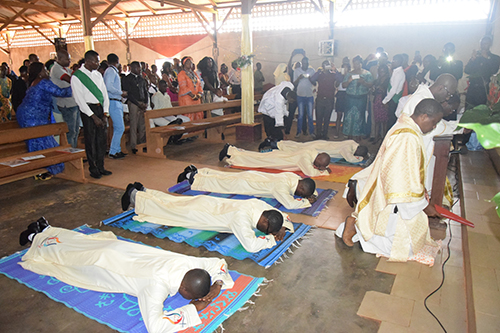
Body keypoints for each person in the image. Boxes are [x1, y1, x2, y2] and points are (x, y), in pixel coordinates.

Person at [19, 218, 234, 333]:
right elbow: (156, 327)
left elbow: (216, 264)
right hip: (103, 265)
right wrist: (193, 308)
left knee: (81, 243)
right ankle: (36, 237)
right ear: (184, 291)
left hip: (119, 250)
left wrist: (216, 285)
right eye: (190, 297)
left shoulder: (187, 264)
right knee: (68, 259)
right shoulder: (156, 287)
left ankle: (48, 230)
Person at [339, 99, 445, 262]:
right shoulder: (406, 136)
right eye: (434, 122)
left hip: (391, 189)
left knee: (410, 236)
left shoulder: (406, 126)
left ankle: (357, 224)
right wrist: (423, 205)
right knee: (404, 246)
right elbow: (401, 176)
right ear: (424, 116)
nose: (433, 127)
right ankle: (355, 227)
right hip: (396, 194)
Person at [121, 182, 294, 253]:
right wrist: (271, 239)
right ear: (264, 221)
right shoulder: (242, 220)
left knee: (174, 202)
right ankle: (135, 196)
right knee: (168, 211)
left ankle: (145, 191)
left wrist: (283, 227)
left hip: (208, 204)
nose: (266, 232)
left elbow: (281, 215)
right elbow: (251, 245)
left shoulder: (260, 207)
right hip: (201, 214)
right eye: (267, 229)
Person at [16, 62, 72, 176]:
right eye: (45, 70)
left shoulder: (35, 83)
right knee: (41, 141)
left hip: (27, 114)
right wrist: (76, 85)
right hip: (32, 116)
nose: (47, 72)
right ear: (40, 73)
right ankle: (43, 168)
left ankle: (41, 168)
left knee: (37, 141)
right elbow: (61, 92)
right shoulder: (43, 83)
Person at [177, 166, 318, 210]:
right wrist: (307, 202)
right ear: (301, 190)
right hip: (246, 184)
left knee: (224, 177)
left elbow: (307, 185)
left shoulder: (294, 178)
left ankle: (201, 172)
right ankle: (192, 177)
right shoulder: (282, 187)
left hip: (254, 177)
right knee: (220, 184)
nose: (301, 196)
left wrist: (313, 193)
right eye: (302, 194)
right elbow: (289, 204)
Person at [71, 50, 111, 179]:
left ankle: (101, 166)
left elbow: (104, 94)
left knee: (101, 140)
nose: (98, 64)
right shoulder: (77, 77)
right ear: (87, 61)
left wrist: (105, 113)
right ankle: (93, 168)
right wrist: (93, 117)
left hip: (100, 109)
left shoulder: (98, 75)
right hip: (88, 111)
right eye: (96, 61)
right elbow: (79, 100)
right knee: (91, 141)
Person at [219, 143, 331, 177]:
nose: (318, 167)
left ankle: (231, 150)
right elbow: (310, 172)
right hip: (277, 161)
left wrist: (323, 167)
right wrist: (324, 171)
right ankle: (230, 152)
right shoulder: (305, 158)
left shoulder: (312, 151)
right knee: (253, 160)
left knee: (254, 157)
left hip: (280, 157)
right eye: (319, 165)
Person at [50, 50, 80, 148]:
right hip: (67, 104)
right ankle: (70, 154)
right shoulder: (56, 69)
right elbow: (71, 79)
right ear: (59, 59)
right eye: (67, 58)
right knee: (70, 131)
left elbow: (77, 76)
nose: (70, 60)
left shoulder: (65, 68)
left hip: (73, 103)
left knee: (76, 130)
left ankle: (74, 152)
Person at [342, 55, 373, 141]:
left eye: (357, 63)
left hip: (361, 98)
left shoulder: (367, 74)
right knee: (349, 116)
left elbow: (371, 85)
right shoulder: (349, 74)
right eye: (354, 63)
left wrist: (364, 82)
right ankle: (349, 134)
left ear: (361, 63)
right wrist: (349, 81)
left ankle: (358, 134)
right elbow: (343, 85)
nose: (356, 65)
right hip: (350, 98)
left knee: (360, 116)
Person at [464, 35, 500, 109]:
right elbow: (467, 70)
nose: (483, 45)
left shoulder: (495, 58)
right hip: (472, 87)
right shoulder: (477, 57)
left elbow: (494, 70)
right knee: (468, 109)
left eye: (486, 43)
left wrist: (486, 58)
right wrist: (472, 59)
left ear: (490, 44)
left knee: (480, 110)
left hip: (483, 88)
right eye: (482, 43)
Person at [122, 61, 148, 154]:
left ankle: (142, 144)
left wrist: (145, 103)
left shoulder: (141, 78)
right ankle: (134, 145)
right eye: (138, 68)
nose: (140, 69)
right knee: (134, 124)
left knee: (142, 124)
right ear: (132, 68)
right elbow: (128, 94)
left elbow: (145, 91)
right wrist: (138, 103)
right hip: (133, 103)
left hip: (142, 103)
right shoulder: (127, 78)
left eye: (140, 68)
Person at [103, 53, 127, 159]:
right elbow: (109, 87)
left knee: (118, 127)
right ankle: (113, 151)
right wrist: (120, 92)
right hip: (113, 100)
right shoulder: (111, 71)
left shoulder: (112, 71)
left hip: (116, 101)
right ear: (117, 61)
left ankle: (117, 150)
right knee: (120, 127)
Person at [311, 60, 341, 140]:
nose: (326, 66)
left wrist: (335, 69)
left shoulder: (333, 74)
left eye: (328, 65)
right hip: (320, 99)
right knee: (319, 119)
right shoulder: (319, 74)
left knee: (327, 119)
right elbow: (312, 79)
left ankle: (325, 134)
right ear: (322, 66)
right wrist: (319, 71)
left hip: (329, 99)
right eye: (325, 65)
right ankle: (318, 134)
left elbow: (340, 79)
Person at [274, 139, 368, 164]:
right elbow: (350, 159)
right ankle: (277, 145)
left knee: (300, 145)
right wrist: (360, 158)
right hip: (319, 148)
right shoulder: (347, 149)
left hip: (321, 144)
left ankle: (279, 143)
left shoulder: (352, 142)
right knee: (298, 148)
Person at [293, 57, 316, 138]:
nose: (305, 65)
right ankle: (298, 132)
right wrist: (299, 78)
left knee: (310, 115)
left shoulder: (312, 71)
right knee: (301, 115)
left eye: (307, 63)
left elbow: (314, 83)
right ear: (302, 63)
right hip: (300, 95)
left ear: (308, 63)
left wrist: (310, 79)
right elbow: (294, 83)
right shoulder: (297, 71)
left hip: (309, 95)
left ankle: (312, 132)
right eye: (304, 63)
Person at [382, 54, 405, 128]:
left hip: (394, 99)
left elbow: (393, 89)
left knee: (391, 122)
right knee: (389, 120)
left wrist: (385, 101)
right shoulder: (395, 72)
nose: (392, 62)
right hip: (392, 98)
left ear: (399, 62)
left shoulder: (399, 73)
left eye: (394, 61)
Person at [177, 56, 203, 120]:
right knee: (189, 116)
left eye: (191, 62)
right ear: (184, 64)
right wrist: (192, 95)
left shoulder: (194, 74)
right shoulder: (181, 74)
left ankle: (198, 130)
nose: (189, 64)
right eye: (187, 62)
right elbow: (183, 87)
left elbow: (199, 84)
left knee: (198, 115)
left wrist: (199, 95)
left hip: (196, 98)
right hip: (187, 98)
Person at [371, 64, 390, 142]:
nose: (381, 73)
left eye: (382, 72)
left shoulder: (389, 80)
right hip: (377, 100)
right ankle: (376, 137)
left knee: (385, 121)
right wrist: (373, 90)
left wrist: (382, 88)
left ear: (386, 72)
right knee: (377, 120)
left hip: (384, 101)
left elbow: (388, 91)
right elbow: (373, 92)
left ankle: (384, 138)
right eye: (380, 71)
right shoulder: (377, 81)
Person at [334, 56, 351, 138]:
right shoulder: (338, 73)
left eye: (347, 61)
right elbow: (336, 85)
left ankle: (345, 132)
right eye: (344, 61)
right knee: (339, 115)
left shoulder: (351, 73)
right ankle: (336, 132)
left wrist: (346, 76)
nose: (345, 62)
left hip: (348, 94)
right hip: (340, 94)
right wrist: (340, 76)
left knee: (347, 115)